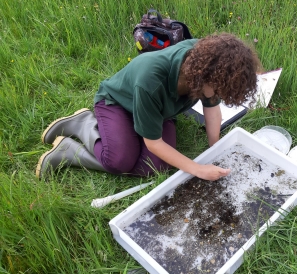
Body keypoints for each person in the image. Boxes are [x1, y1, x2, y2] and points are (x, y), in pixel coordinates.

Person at [36, 33, 260, 181]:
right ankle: (78, 132)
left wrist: (215, 149)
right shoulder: (151, 81)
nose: (218, 96)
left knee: (153, 168)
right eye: (219, 91)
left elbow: (212, 108)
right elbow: (154, 143)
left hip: (159, 112)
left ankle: (126, 132)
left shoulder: (207, 63)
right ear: (203, 78)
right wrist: (198, 169)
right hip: (119, 104)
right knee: (119, 161)